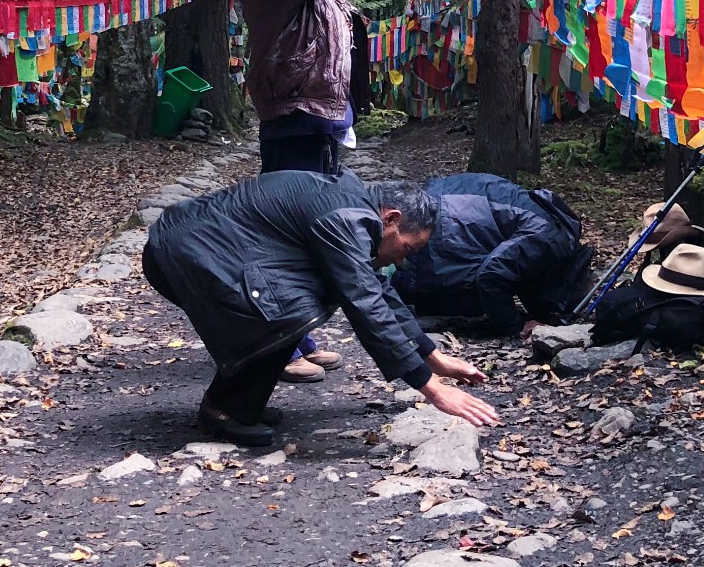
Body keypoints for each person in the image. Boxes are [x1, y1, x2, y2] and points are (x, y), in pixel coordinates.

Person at [142, 171, 500, 446]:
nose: (403, 260)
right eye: (407, 248)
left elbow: (376, 290)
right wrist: (432, 389)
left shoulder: (352, 208)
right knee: (289, 311)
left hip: (195, 250)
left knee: (292, 305)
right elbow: (364, 303)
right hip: (183, 256)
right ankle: (223, 409)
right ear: (391, 218)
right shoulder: (345, 218)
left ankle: (239, 404)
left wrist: (433, 358)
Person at [234, 0, 368, 382]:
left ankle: (301, 335)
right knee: (284, 233)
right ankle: (279, 344)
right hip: (295, 116)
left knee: (311, 231)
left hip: (323, 122)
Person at [393, 174, 596, 337]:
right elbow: (491, 275)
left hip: (441, 203)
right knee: (476, 297)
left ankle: (393, 282)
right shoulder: (548, 237)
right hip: (444, 229)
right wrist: (517, 325)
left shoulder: (551, 219)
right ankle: (393, 288)